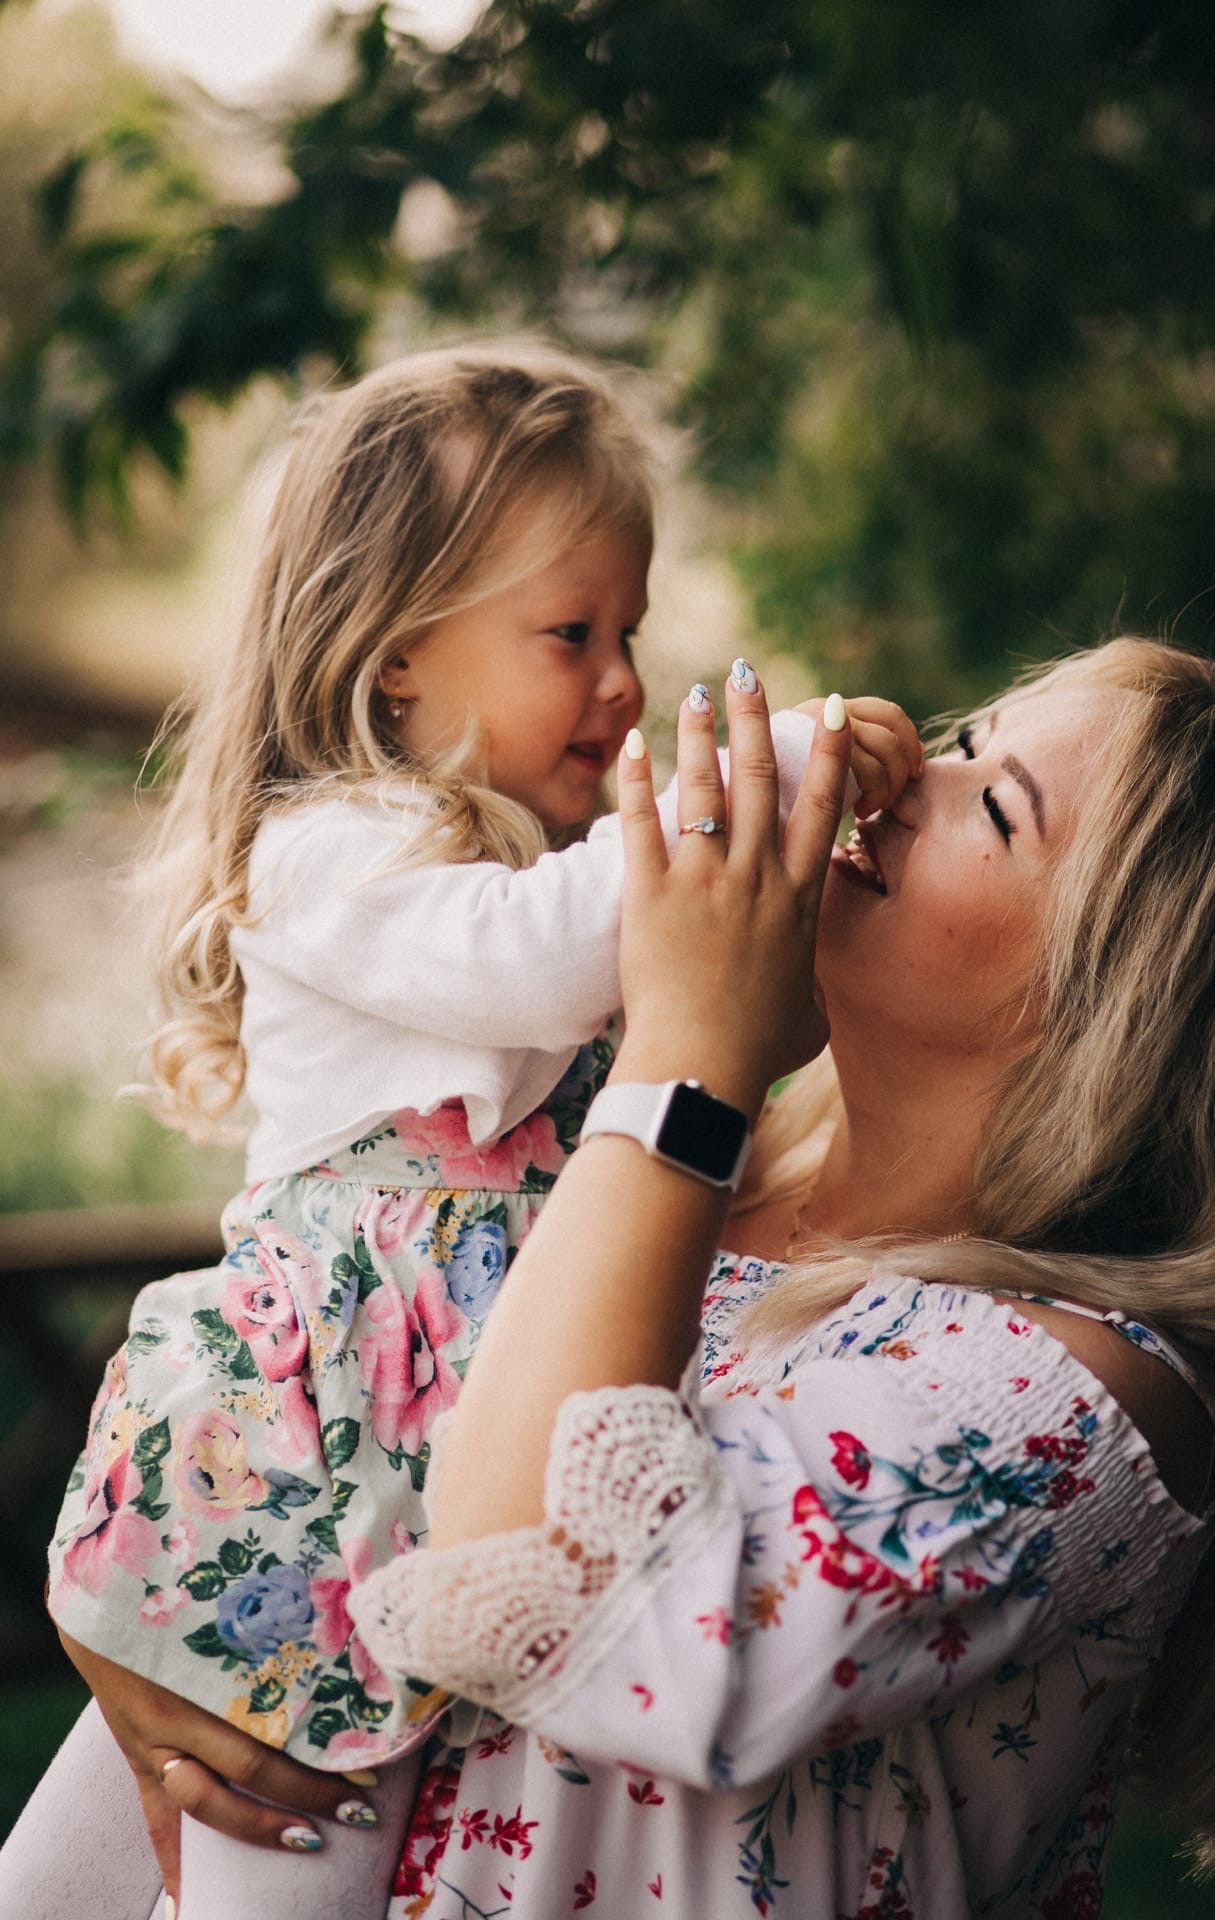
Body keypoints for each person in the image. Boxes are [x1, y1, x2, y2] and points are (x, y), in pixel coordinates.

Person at [26, 634, 1215, 1920]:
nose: (901, 775)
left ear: (1115, 1005)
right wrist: (126, 1590)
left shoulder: (1082, 1400)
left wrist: (686, 1050)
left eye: (998, 804)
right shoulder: (641, 1175)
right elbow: (290, 1327)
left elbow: (535, 1591)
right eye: (966, 746)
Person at [8, 344, 922, 1919]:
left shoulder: (507, 868)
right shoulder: (338, 859)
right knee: (262, 1853)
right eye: (572, 633)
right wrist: (774, 763)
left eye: (627, 630)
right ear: (393, 663)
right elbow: (557, 948)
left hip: (404, 1470)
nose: (625, 679)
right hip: (305, 1479)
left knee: (90, 1869)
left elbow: (709, 1027)